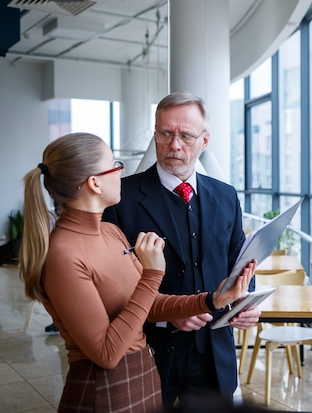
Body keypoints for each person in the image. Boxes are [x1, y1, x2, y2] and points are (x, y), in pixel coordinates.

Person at [20, 132, 255, 413]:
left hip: (142, 382)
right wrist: (152, 274)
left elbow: (149, 305)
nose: (121, 173)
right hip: (104, 395)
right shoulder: (63, 255)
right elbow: (106, 353)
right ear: (94, 183)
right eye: (114, 165)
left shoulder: (111, 232)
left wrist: (212, 300)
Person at [103, 92, 261, 411]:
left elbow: (239, 264)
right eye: (165, 134)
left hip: (214, 354)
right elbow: (112, 287)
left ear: (204, 140)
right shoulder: (122, 199)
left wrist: (245, 303)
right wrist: (168, 317)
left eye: (186, 136)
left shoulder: (227, 196)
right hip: (150, 350)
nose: (175, 145)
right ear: (156, 133)